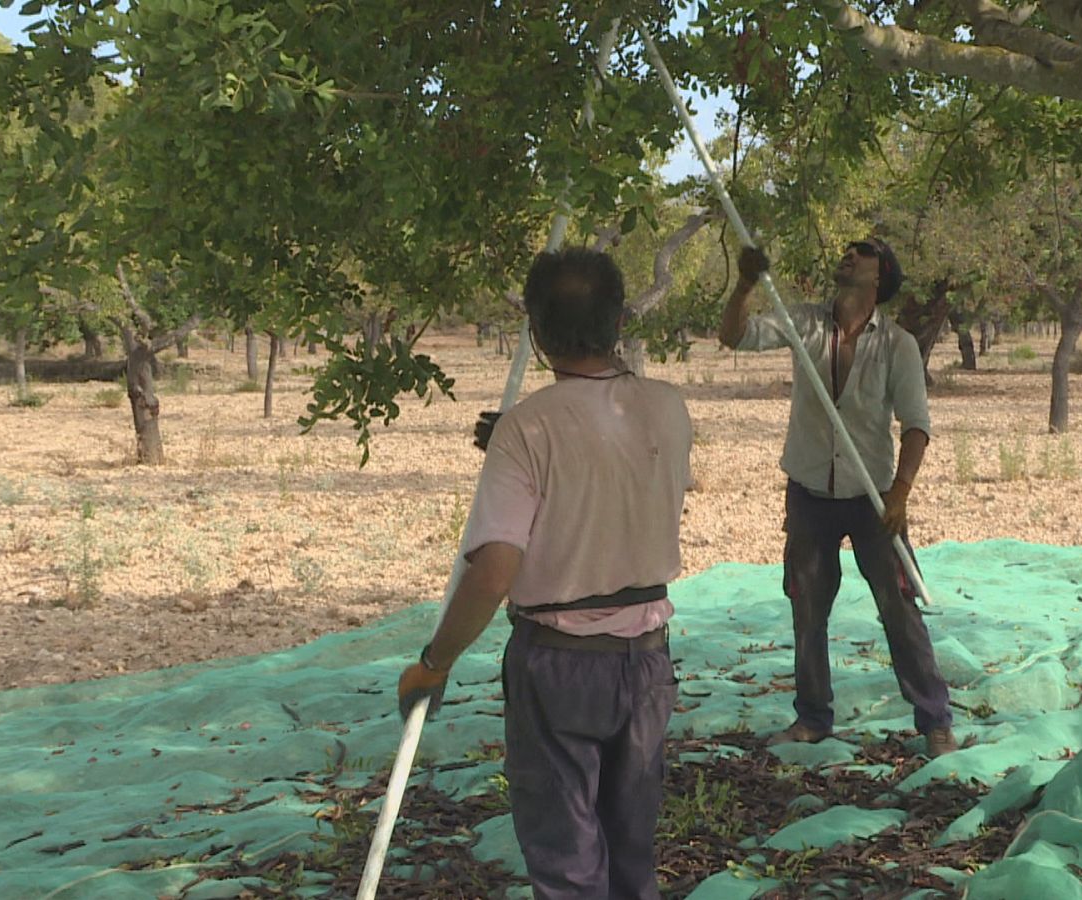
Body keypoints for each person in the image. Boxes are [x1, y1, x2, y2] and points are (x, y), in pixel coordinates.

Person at [397, 248, 693, 899]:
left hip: (557, 666)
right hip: (645, 660)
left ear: (535, 333)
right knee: (630, 850)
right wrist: (520, 437)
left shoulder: (528, 431)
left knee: (567, 858)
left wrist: (435, 660)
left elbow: (495, 566)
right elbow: (605, 460)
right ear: (620, 323)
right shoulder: (669, 409)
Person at [719, 236, 958, 758]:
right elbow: (733, 336)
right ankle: (813, 718)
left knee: (899, 606)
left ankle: (935, 720)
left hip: (874, 498)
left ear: (881, 277)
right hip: (808, 492)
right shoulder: (802, 320)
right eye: (848, 250)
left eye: (864, 252)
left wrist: (900, 493)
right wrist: (744, 284)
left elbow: (917, 425)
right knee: (807, 603)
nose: (849, 255)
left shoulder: (897, 345)